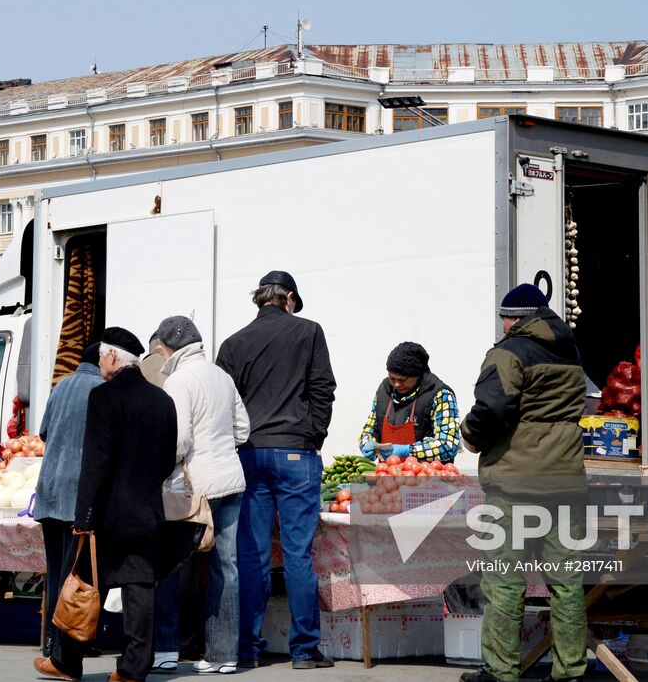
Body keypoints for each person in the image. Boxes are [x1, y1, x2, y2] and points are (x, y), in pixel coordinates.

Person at [459, 283, 588, 682]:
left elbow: (493, 406)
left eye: (504, 316)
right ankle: (570, 671)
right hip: (565, 480)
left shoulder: (509, 352)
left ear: (516, 318)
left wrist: (470, 434)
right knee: (567, 582)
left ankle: (501, 672)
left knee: (504, 581)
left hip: (515, 484)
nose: (502, 323)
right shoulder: (570, 352)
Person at [216, 270, 336, 670]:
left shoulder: (233, 344)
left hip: (249, 453)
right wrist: (313, 435)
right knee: (298, 554)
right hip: (295, 453)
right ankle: (304, 651)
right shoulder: (309, 332)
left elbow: (224, 403)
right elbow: (323, 389)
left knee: (251, 556)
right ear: (287, 299)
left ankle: (247, 648)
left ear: (260, 299)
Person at [62, 328, 179, 682]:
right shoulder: (162, 400)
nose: (99, 364)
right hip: (146, 508)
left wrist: (84, 513)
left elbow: (94, 461)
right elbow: (166, 460)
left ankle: (66, 660)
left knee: (80, 579)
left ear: (112, 357)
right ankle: (133, 668)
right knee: (139, 583)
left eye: (100, 358)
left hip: (107, 512)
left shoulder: (103, 396)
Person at [150, 316, 250, 675]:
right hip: (231, 482)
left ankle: (165, 649)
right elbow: (243, 428)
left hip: (194, 489)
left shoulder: (178, 379)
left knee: (170, 566)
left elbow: (178, 440)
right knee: (226, 568)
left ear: (167, 347)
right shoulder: (221, 375)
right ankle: (224, 655)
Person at [33, 342, 105, 677]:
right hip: (76, 495)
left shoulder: (61, 385)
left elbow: (44, 433)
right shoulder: (101, 389)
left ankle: (51, 643)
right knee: (73, 575)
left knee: (55, 571)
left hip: (48, 491)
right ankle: (65, 646)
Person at [358, 342, 461, 463]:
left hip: (427, 478)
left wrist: (408, 451)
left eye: (402, 380)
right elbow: (370, 428)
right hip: (388, 476)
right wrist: (366, 442)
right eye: (392, 378)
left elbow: (448, 446)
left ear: (417, 375)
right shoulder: (385, 390)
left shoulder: (440, 395)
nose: (396, 384)